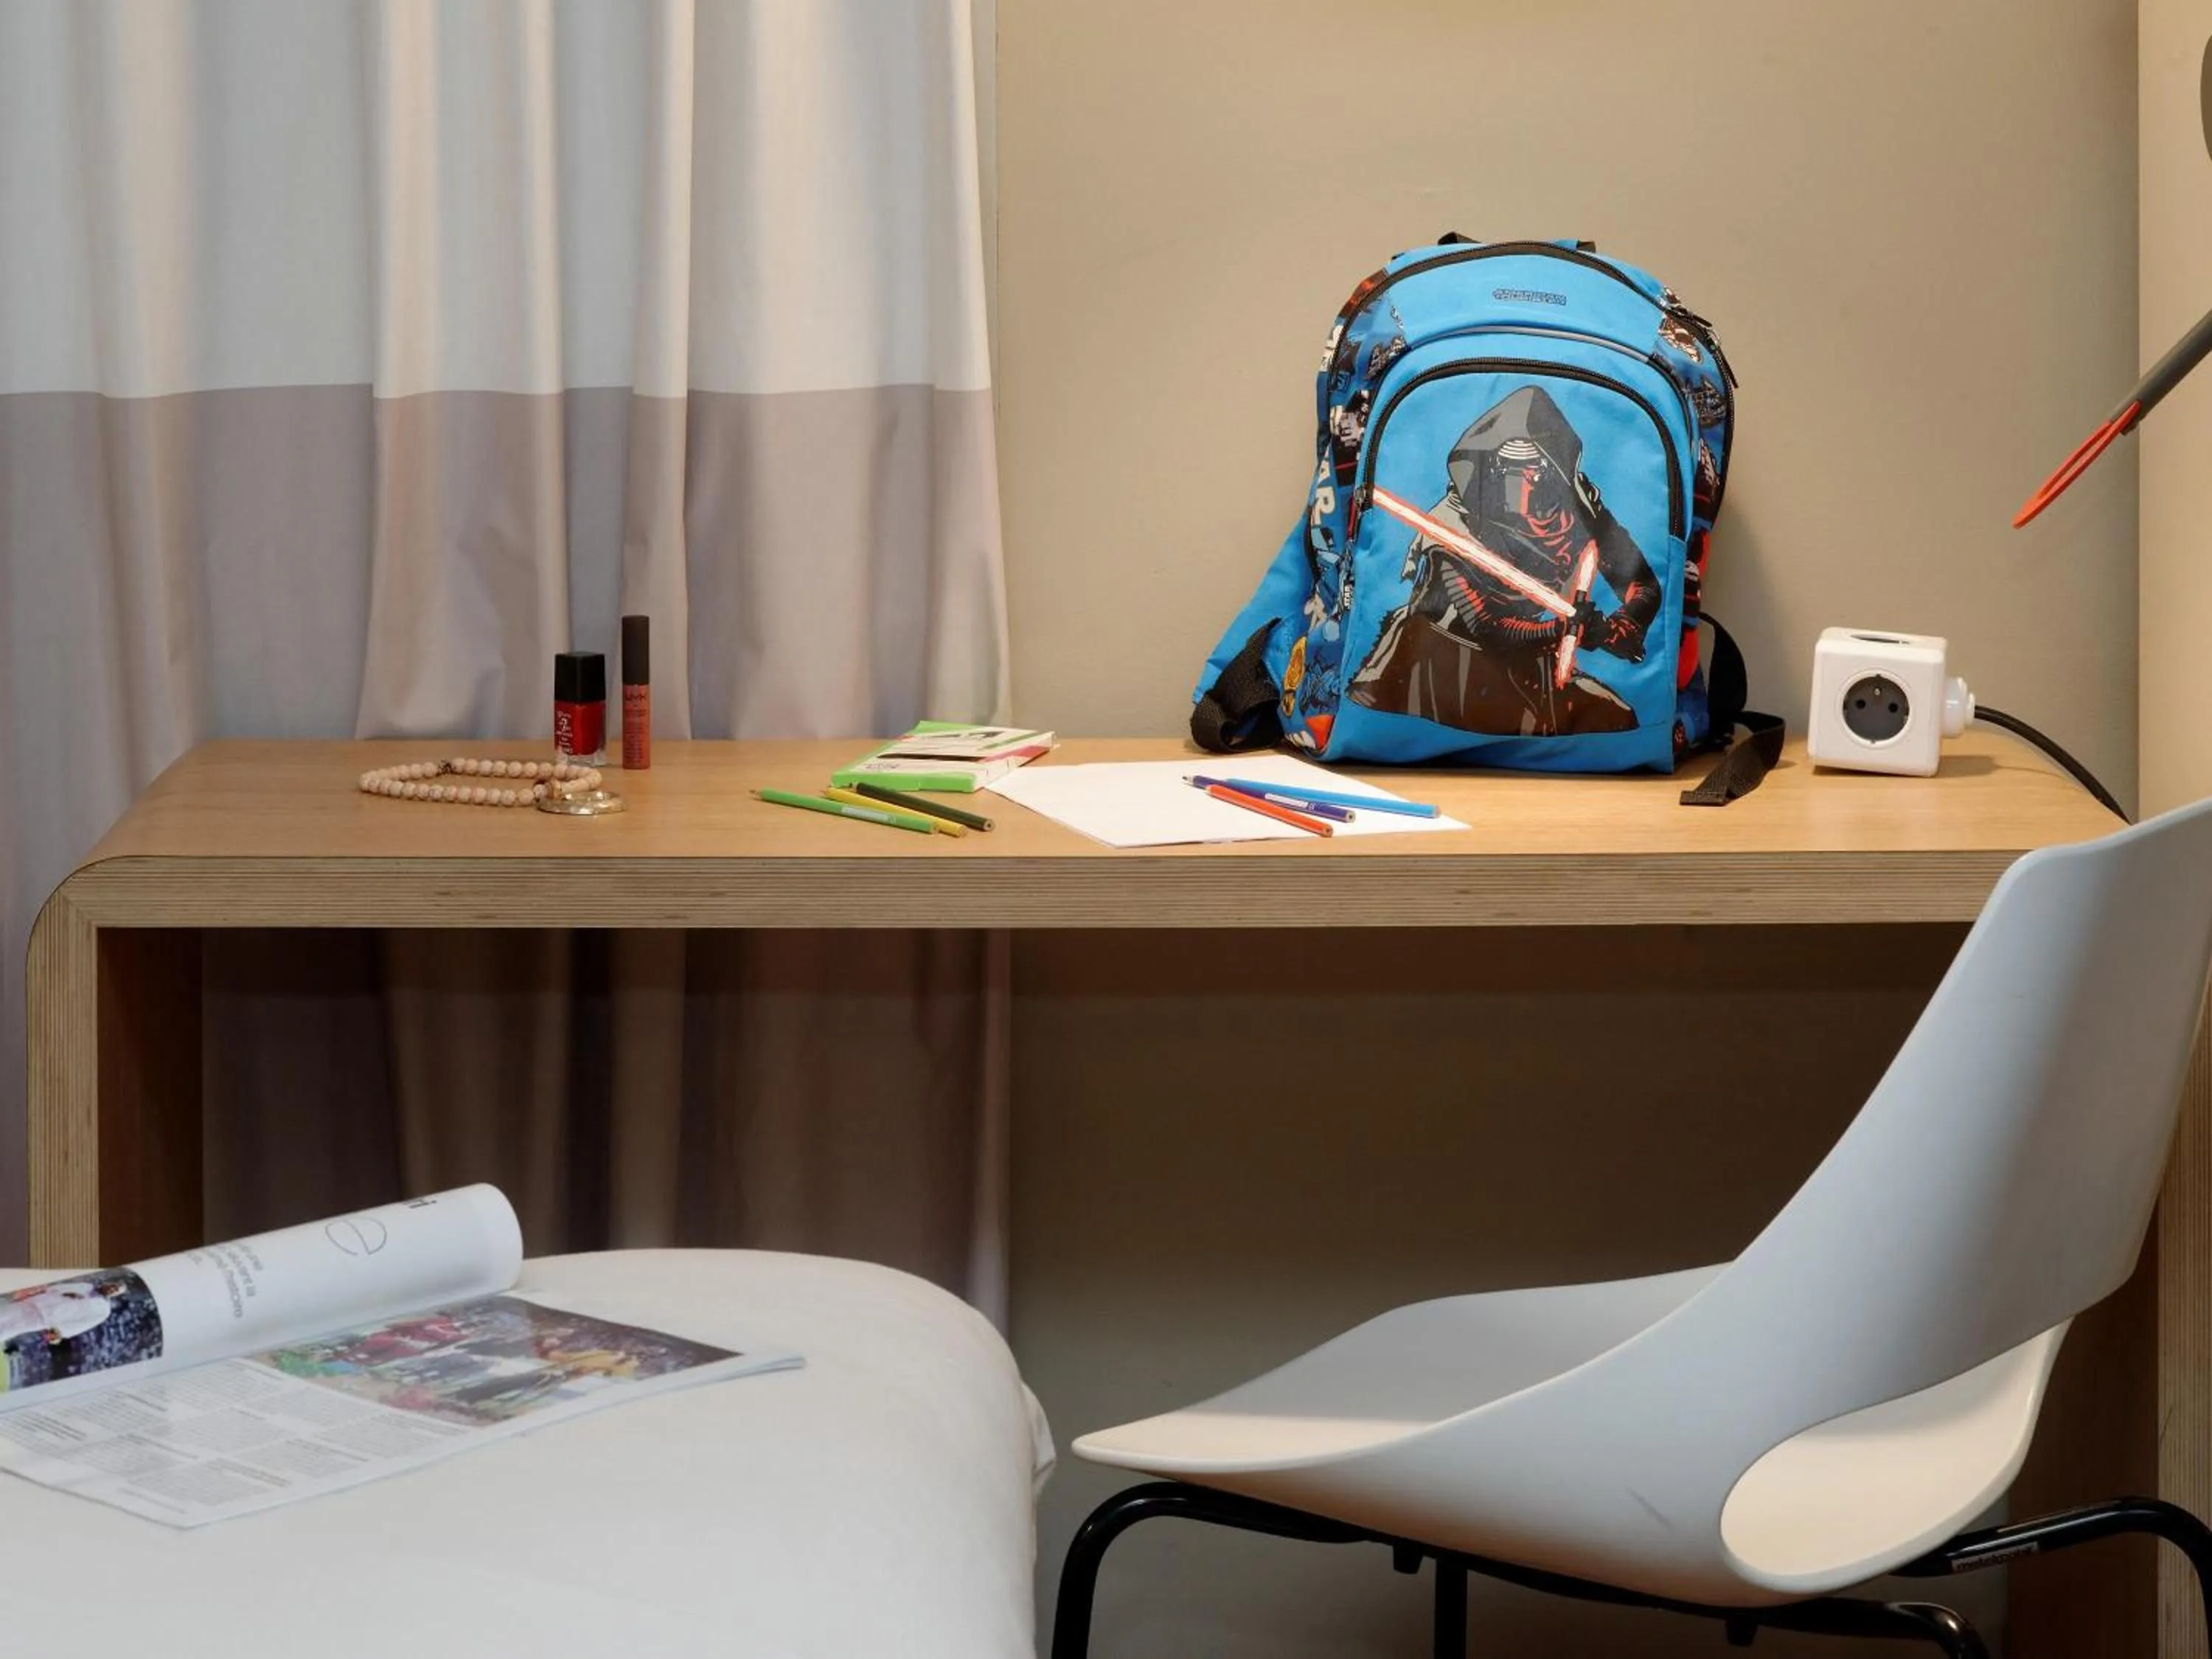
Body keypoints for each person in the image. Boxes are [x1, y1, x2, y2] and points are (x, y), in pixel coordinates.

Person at [1351, 385, 1659, 737]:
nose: (1521, 485)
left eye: (1533, 468)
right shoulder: (1456, 522)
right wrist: (1562, 630)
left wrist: (1624, 624)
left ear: (1553, 470)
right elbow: (1486, 625)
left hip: (1525, 664)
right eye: (1507, 468)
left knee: (1617, 718)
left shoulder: (1580, 509)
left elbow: (1641, 581)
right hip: (1441, 665)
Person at [0, 1279, 119, 1349]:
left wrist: (60, 1332)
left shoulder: (103, 1310)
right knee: (6, 1313)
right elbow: (57, 1288)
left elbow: (83, 1324)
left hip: (48, 1318)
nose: (112, 1289)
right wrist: (66, 1293)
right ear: (107, 1283)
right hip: (41, 1301)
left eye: (116, 1290)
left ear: (115, 1295)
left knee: (12, 1328)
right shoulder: (87, 1286)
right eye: (113, 1286)